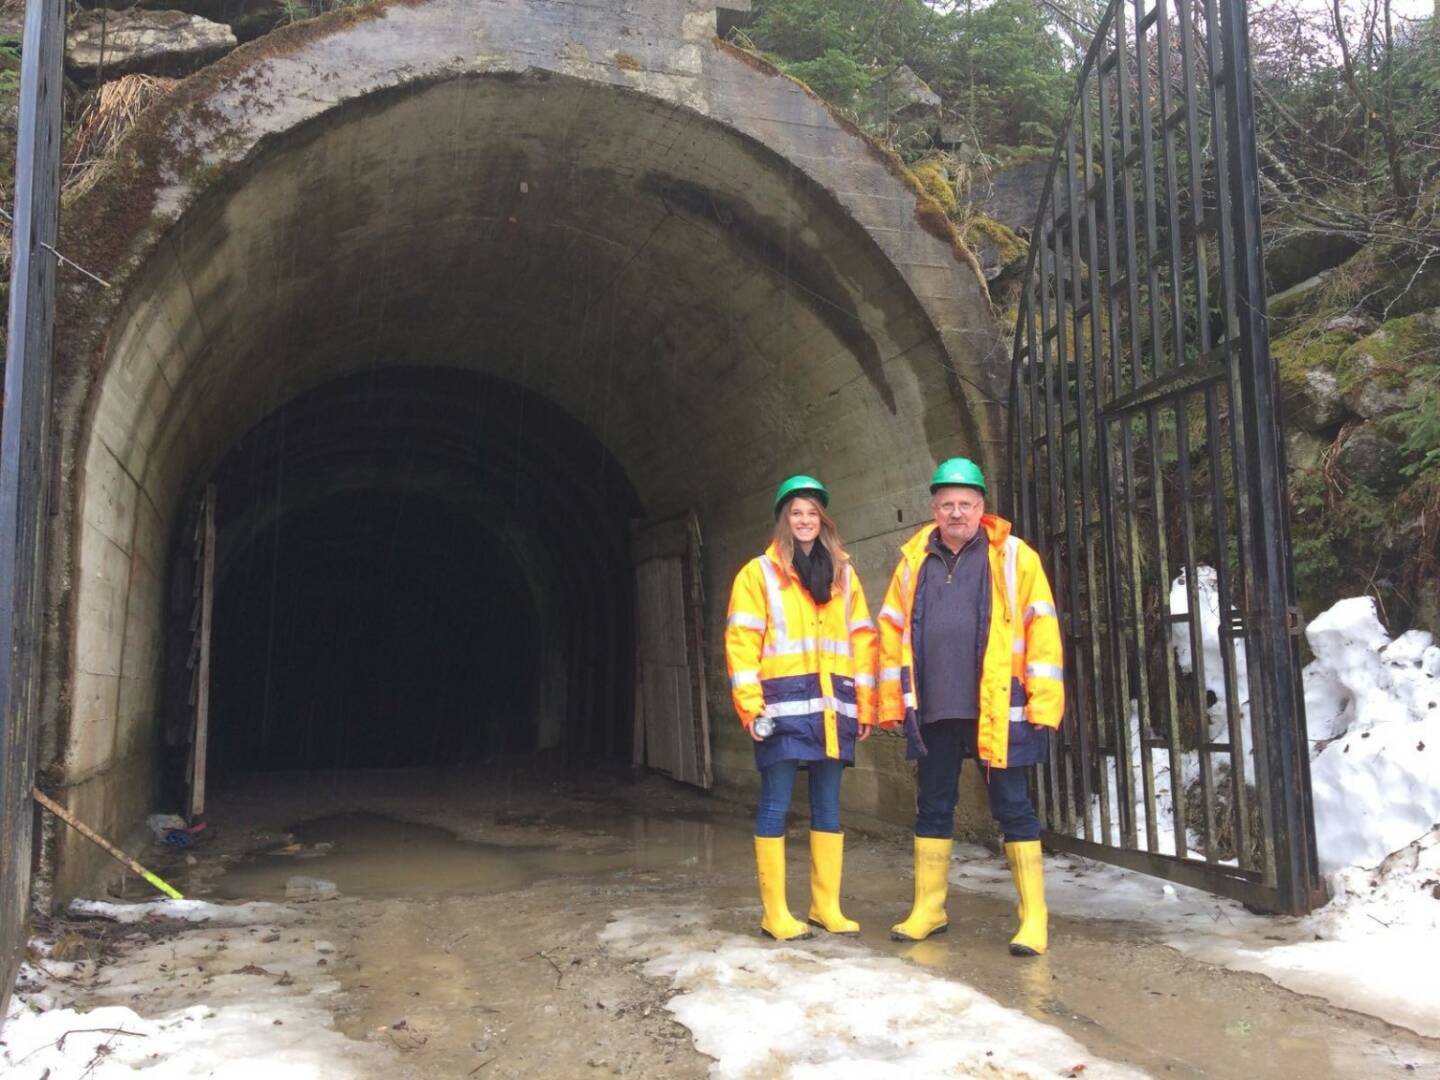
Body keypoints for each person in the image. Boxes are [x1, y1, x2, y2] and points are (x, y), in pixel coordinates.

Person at [877, 457, 1064, 955]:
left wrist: (1045, 703)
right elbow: (890, 632)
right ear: (934, 509)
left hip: (997, 706)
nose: (956, 512)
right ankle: (928, 908)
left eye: (966, 504)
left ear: (982, 508)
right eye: (947, 504)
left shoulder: (1015, 557)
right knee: (933, 804)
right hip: (935, 705)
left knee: (1013, 807)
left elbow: (1042, 626)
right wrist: (891, 702)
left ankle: (1033, 915)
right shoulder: (914, 559)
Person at [725, 475, 879, 940]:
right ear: (783, 521)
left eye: (812, 513)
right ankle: (775, 913)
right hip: (781, 711)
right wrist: (751, 707)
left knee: (828, 806)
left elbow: (863, 640)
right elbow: (742, 642)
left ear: (824, 520)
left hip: (832, 709)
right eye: (796, 513)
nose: (805, 520)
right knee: (775, 804)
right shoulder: (758, 574)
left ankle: (824, 907)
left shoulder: (843, 574)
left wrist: (865, 707)